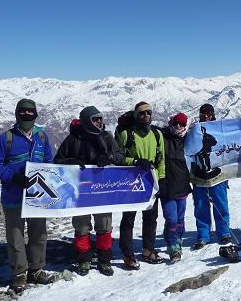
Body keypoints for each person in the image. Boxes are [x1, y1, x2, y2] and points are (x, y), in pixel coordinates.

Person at [0, 99, 55, 293]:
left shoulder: (42, 137)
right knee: (16, 237)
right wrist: (13, 176)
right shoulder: (6, 138)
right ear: (17, 114)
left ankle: (36, 270)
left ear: (36, 114)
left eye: (30, 112)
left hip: (37, 197)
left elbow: (49, 161)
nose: (27, 115)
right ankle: (19, 274)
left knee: (39, 235)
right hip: (13, 196)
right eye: (23, 112)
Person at [54, 106, 124, 276]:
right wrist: (70, 162)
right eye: (95, 119)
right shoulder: (74, 139)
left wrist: (109, 157)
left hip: (102, 190)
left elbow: (120, 157)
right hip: (80, 192)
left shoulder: (106, 137)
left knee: (104, 225)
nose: (99, 122)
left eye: (100, 119)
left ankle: (104, 259)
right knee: (81, 226)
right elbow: (57, 160)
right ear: (87, 121)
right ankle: (83, 259)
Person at [117, 101, 166, 269]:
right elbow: (118, 158)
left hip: (151, 181)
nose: (146, 116)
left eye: (148, 113)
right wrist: (135, 161)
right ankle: (128, 255)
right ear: (136, 116)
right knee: (128, 218)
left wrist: (161, 180)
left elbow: (161, 159)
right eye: (142, 113)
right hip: (131, 181)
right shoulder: (126, 134)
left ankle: (148, 250)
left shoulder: (157, 135)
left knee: (151, 217)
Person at [191, 104, 232, 249]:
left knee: (220, 202)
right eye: (203, 113)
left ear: (213, 114)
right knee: (201, 204)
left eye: (208, 113)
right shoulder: (195, 130)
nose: (206, 116)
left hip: (218, 172)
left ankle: (224, 232)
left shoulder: (219, 129)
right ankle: (203, 234)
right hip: (199, 173)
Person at [157, 112, 193, 261]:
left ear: (186, 125)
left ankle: (177, 239)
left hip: (182, 184)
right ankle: (173, 247)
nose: (178, 126)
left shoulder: (189, 139)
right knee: (172, 219)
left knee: (180, 218)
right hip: (166, 185)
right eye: (176, 123)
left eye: (182, 124)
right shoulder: (163, 137)